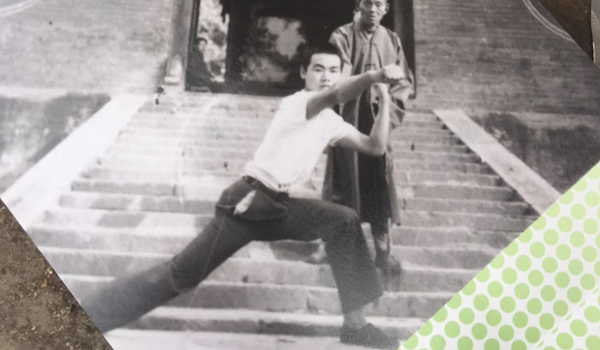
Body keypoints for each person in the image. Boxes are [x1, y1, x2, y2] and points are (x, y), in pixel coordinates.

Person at [81, 43, 406, 349]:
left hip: (279, 206)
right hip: (247, 202)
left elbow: (375, 146)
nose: (326, 77)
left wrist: (383, 97)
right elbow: (336, 93)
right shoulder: (298, 103)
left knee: (344, 221)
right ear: (303, 73)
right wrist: (374, 75)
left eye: (333, 70)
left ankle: (355, 325)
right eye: (318, 69)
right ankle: (88, 319)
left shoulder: (331, 121)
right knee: (180, 275)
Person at [320, 0, 414, 279]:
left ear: (386, 9)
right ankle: (331, 245)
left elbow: (403, 86)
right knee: (342, 183)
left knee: (379, 184)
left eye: (378, 4)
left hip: (378, 122)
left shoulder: (392, 40)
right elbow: (334, 78)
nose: (372, 9)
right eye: (367, 3)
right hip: (347, 120)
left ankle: (383, 251)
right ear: (358, 5)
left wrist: (387, 115)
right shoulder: (342, 36)